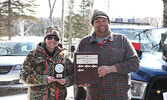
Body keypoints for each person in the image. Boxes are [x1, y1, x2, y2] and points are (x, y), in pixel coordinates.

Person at [76, 10, 140, 100]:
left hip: (119, 96)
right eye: (97, 21)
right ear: (93, 24)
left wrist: (111, 68)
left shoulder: (122, 40)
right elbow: (77, 68)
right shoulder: (84, 43)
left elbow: (134, 63)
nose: (101, 23)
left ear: (108, 22)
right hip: (94, 96)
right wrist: (82, 80)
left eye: (104, 20)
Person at [20, 26, 74, 100]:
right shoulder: (34, 55)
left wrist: (66, 81)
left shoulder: (63, 55)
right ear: (45, 39)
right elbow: (23, 76)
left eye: (56, 39)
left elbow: (73, 75)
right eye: (49, 38)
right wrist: (43, 79)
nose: (53, 41)